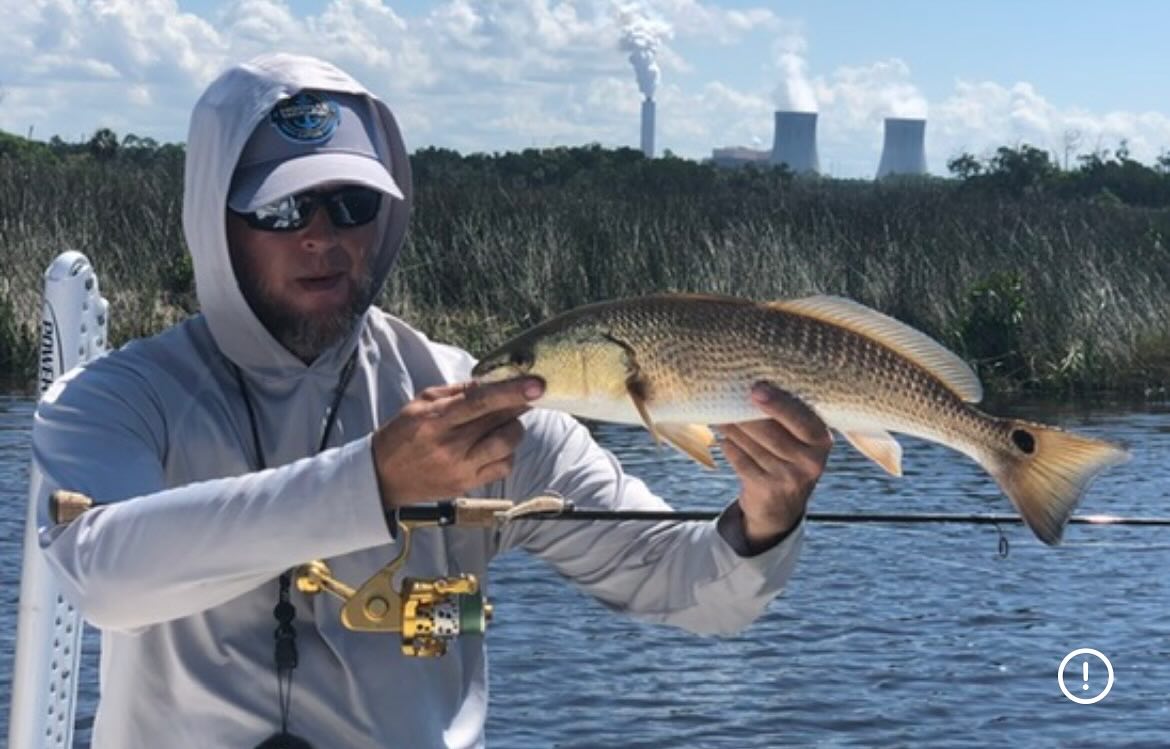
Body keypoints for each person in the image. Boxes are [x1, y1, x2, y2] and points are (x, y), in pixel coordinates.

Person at [33, 52, 833, 748]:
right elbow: (107, 577)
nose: (323, 234)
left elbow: (685, 583)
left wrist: (765, 517)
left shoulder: (476, 399)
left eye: (352, 203)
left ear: (387, 218)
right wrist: (373, 482)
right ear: (216, 221)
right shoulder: (115, 398)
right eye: (281, 208)